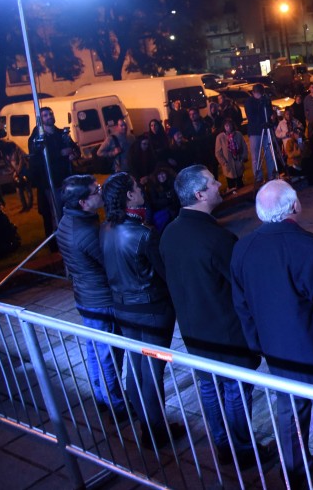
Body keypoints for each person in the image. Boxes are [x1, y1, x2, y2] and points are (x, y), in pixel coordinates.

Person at [231, 180, 313, 488]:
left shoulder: (242, 249)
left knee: (289, 411)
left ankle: (293, 470)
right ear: (293, 206)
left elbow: (242, 306)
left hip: (277, 353)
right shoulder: (310, 249)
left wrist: (257, 345)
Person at [159, 165, 267, 468]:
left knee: (209, 387)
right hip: (227, 336)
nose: (219, 184)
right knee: (235, 391)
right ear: (199, 194)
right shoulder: (217, 239)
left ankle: (222, 444)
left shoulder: (169, 234)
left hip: (194, 333)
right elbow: (243, 286)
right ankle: (242, 449)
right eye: (212, 182)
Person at [99, 172, 179, 449]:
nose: (141, 188)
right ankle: (155, 430)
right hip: (152, 312)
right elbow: (164, 273)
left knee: (136, 368)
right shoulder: (144, 234)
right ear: (128, 196)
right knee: (152, 370)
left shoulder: (106, 228)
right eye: (136, 186)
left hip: (124, 309)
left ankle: (149, 425)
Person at [56, 175, 125, 417]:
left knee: (96, 350)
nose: (101, 193)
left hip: (86, 297)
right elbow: (110, 263)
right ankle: (116, 404)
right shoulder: (87, 233)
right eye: (96, 191)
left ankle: (102, 396)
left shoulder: (68, 221)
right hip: (101, 301)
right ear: (83, 203)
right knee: (109, 354)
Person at [28, 106, 80, 249]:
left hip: (66, 180)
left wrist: (74, 154)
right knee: (55, 213)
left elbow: (75, 149)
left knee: (70, 210)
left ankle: (72, 239)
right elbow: (37, 160)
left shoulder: (60, 133)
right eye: (45, 115)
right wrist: (60, 154)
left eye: (50, 114)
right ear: (40, 119)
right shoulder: (36, 138)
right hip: (50, 183)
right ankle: (57, 244)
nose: (49, 117)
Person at [244, 84, 278, 186]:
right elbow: (251, 117)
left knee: (269, 154)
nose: (260, 96)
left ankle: (272, 174)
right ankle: (258, 177)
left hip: (266, 130)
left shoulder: (266, 100)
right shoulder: (249, 102)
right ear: (254, 93)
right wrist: (262, 120)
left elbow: (270, 112)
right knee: (256, 156)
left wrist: (272, 119)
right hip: (255, 132)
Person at [214, 119, 247, 192]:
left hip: (238, 163)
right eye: (226, 126)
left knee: (241, 185)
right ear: (224, 127)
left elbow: (244, 146)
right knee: (231, 186)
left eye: (230, 125)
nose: (228, 127)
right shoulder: (220, 137)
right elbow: (218, 152)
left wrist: (243, 158)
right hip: (228, 165)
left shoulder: (238, 134)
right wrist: (224, 163)